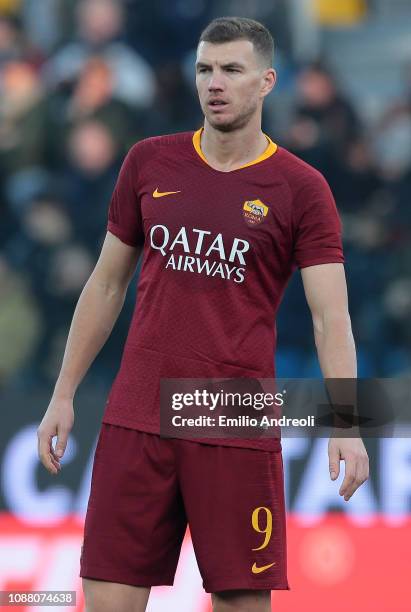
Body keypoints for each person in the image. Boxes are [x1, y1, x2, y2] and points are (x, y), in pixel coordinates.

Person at [37, 17, 369, 612]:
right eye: (204, 69)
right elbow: (107, 284)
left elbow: (331, 320)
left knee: (243, 602)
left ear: (267, 81)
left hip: (235, 417)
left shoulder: (302, 188)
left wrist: (347, 423)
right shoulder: (149, 162)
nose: (214, 83)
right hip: (137, 412)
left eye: (231, 70)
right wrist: (64, 392)